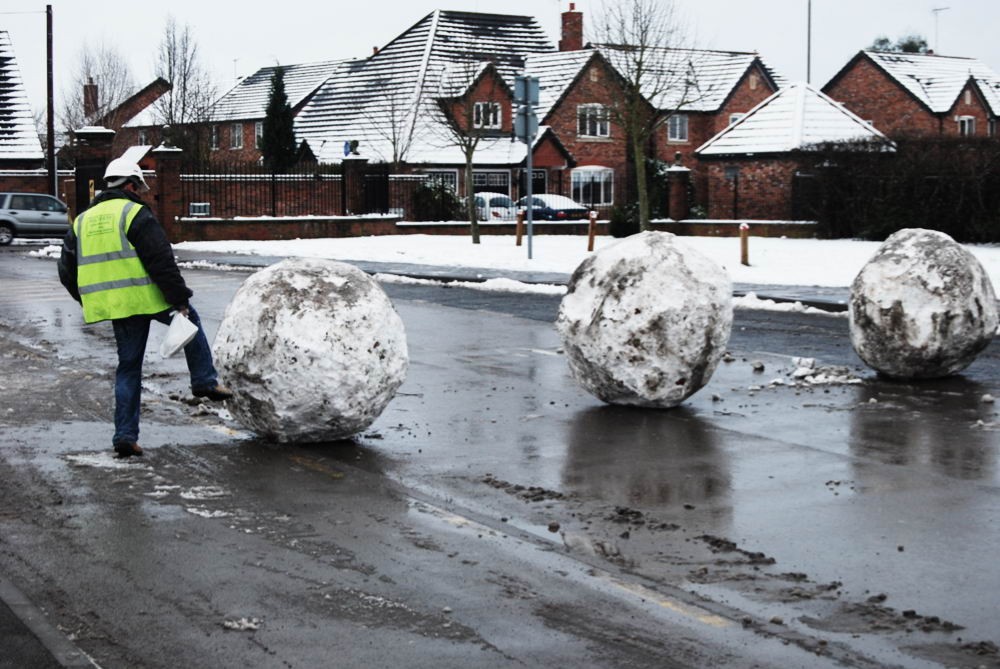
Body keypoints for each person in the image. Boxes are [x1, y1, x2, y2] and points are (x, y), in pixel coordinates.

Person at [58, 158, 232, 458]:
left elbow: (66, 269)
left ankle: (125, 436)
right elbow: (160, 260)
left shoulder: (82, 220)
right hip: (150, 299)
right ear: (129, 185)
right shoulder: (134, 213)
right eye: (138, 187)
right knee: (192, 322)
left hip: (118, 307)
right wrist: (180, 300)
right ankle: (203, 381)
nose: (140, 192)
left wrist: (86, 298)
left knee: (128, 369)